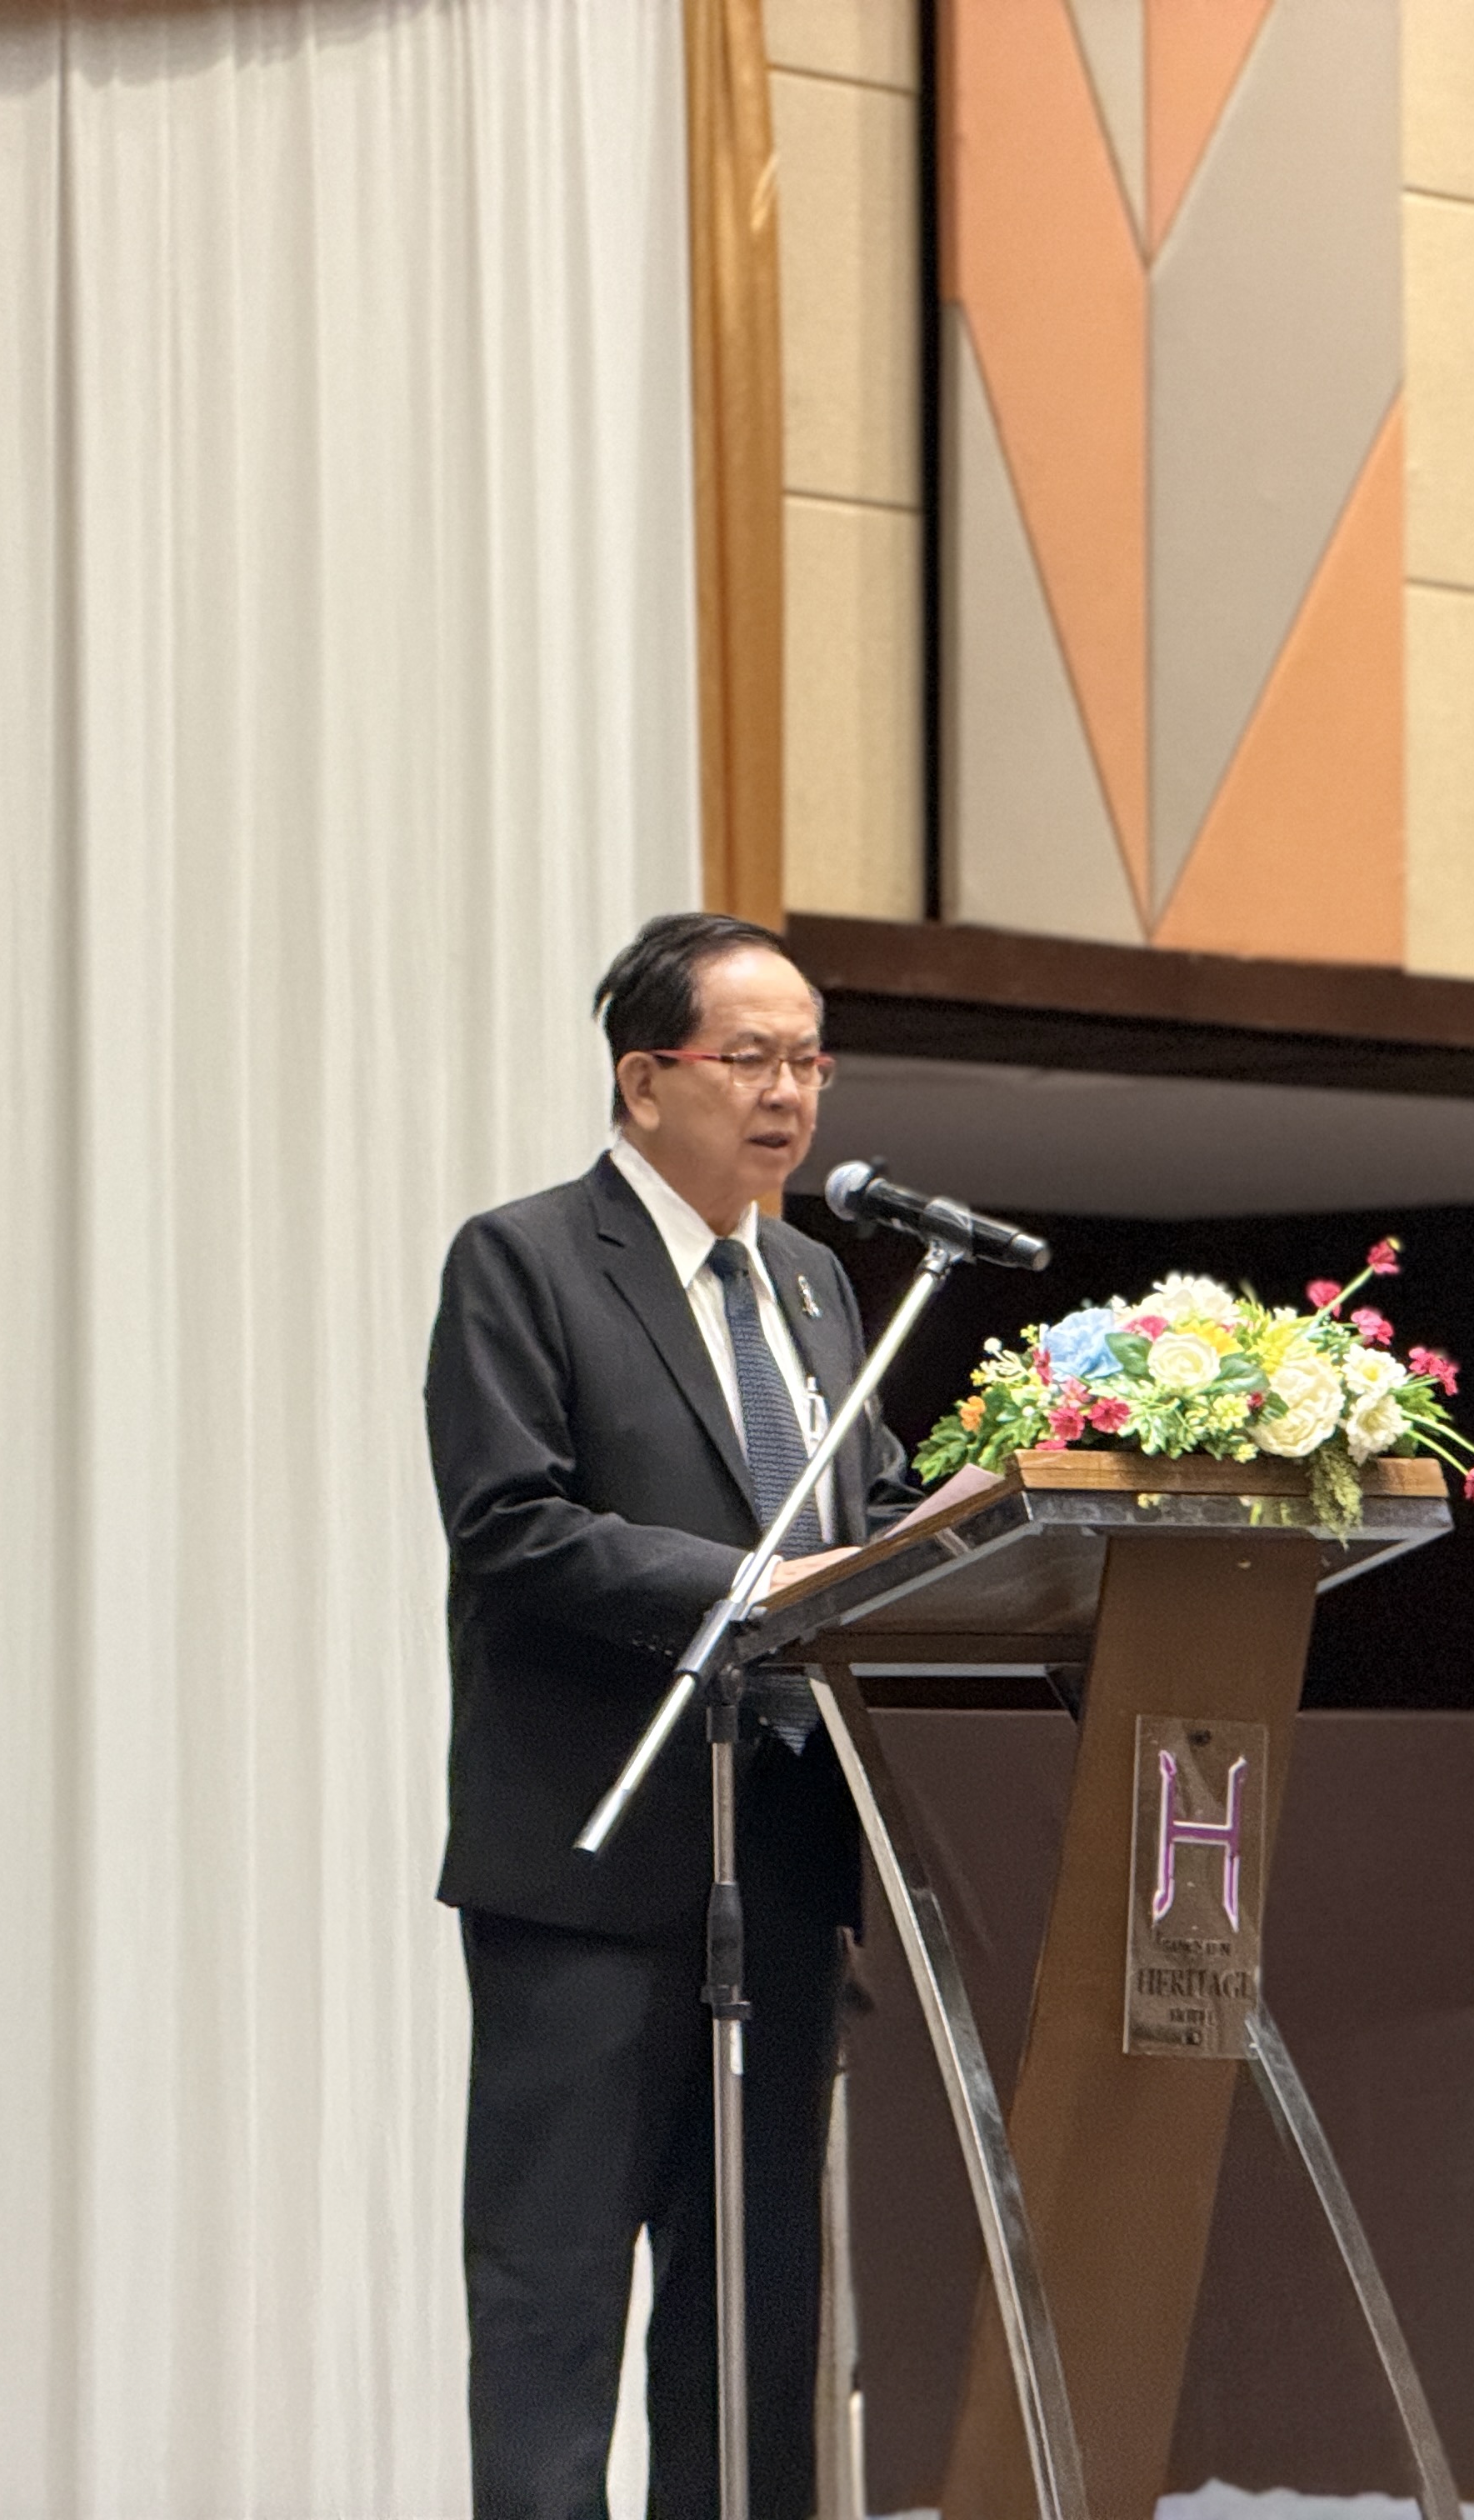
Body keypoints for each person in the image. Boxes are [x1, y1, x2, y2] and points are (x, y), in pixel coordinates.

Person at [426, 910, 920, 2520]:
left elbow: (868, 1512)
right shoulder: (524, 1260)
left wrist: (983, 1509)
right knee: (554, 2303)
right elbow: (512, 1522)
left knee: (755, 2313)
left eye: (812, 1061)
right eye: (752, 1057)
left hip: (779, 1861)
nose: (791, 1093)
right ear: (646, 1080)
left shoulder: (815, 1283)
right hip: (591, 1868)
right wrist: (762, 1583)